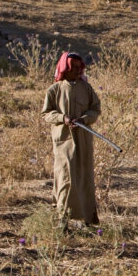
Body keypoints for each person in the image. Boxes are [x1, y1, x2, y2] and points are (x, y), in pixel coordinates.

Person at [41, 52, 101, 229]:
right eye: (73, 67)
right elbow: (46, 114)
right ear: (65, 69)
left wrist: (84, 119)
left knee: (84, 175)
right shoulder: (54, 90)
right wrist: (62, 118)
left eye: (79, 68)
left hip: (83, 139)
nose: (77, 71)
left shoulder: (87, 89)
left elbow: (95, 109)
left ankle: (88, 219)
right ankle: (63, 219)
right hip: (64, 140)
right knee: (65, 176)